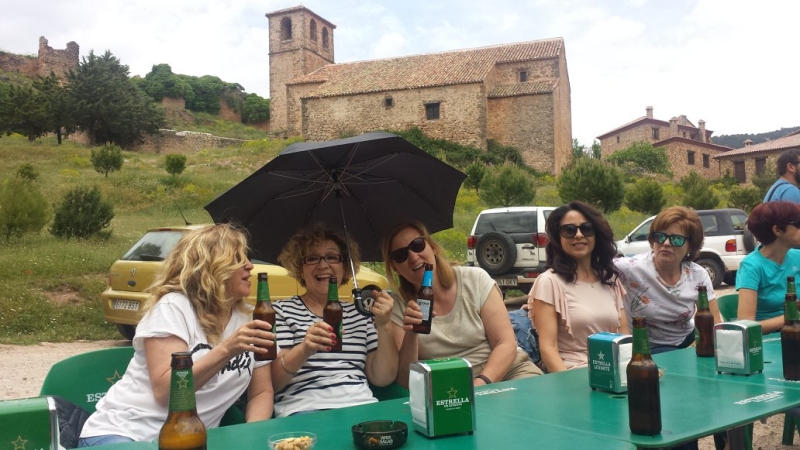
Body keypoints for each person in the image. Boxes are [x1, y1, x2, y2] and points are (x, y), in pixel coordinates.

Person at [79, 224, 275, 446]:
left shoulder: (249, 317)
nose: (250, 265)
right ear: (211, 266)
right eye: (238, 259)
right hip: (126, 432)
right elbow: (166, 393)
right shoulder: (174, 307)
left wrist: (250, 436)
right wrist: (228, 349)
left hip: (189, 441)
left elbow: (261, 392)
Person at [383, 221, 542, 388]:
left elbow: (506, 344)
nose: (413, 257)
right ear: (394, 266)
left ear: (432, 247)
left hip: (506, 371)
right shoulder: (399, 307)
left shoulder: (475, 279)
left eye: (417, 245)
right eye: (400, 255)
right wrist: (411, 334)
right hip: (451, 387)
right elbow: (405, 379)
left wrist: (481, 383)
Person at [272, 223, 398, 417]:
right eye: (312, 258)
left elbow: (383, 378)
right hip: (304, 410)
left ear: (345, 267)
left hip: (362, 407)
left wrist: (384, 325)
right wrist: (304, 349)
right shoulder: (282, 310)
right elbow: (272, 382)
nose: (323, 265)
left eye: (332, 257)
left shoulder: (360, 313)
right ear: (300, 268)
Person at [528, 201, 629, 372]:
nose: (579, 235)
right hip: (573, 371)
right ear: (558, 238)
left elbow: (624, 338)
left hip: (614, 370)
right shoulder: (549, 282)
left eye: (587, 228)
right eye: (569, 230)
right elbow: (548, 349)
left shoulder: (610, 279)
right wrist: (569, 383)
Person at [615, 206, 722, 354]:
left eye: (676, 239)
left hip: (685, 340)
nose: (665, 243)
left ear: (691, 246)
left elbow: (714, 322)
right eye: (660, 236)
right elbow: (593, 266)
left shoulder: (698, 275)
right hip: (645, 348)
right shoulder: (628, 268)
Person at [737, 201, 800, 333]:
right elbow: (746, 325)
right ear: (778, 230)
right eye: (798, 224)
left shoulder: (797, 257)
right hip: (768, 339)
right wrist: (791, 317)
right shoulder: (751, 266)